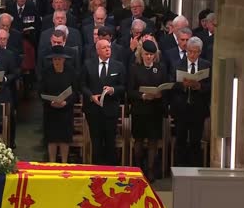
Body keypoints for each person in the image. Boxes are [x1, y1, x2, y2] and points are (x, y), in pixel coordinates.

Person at [128, 40, 168, 181]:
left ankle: (150, 170)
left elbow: (165, 86)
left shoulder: (161, 68)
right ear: (141, 54)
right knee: (138, 141)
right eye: (146, 54)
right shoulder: (135, 68)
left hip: (155, 110)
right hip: (140, 110)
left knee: (153, 142)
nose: (149, 57)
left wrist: (160, 94)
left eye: (151, 54)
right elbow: (130, 91)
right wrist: (142, 95)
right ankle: (138, 169)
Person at [81, 39, 126, 165]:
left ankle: (110, 171)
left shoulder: (118, 66)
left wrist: (113, 89)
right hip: (93, 111)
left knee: (110, 142)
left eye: (109, 47)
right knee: (96, 143)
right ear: (97, 51)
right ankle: (97, 172)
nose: (107, 49)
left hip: (110, 110)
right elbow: (82, 85)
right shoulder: (88, 64)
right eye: (104, 48)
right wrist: (91, 96)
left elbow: (123, 87)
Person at [171, 37, 211, 167]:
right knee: (180, 140)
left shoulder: (206, 65)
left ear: (200, 52)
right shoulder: (177, 64)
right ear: (186, 50)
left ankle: (195, 171)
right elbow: (171, 84)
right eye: (190, 51)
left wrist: (199, 86)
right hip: (181, 109)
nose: (192, 55)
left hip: (198, 109)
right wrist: (183, 85)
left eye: (195, 52)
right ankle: (179, 170)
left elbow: (212, 86)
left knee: (195, 141)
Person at [40, 46, 77, 163]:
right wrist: (50, 102)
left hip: (66, 110)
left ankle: (64, 163)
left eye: (59, 59)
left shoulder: (71, 72)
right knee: (52, 138)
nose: (57, 61)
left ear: (64, 59)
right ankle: (52, 163)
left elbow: (76, 91)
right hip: (50, 110)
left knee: (64, 138)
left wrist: (66, 102)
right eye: (55, 59)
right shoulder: (46, 72)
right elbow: (40, 91)